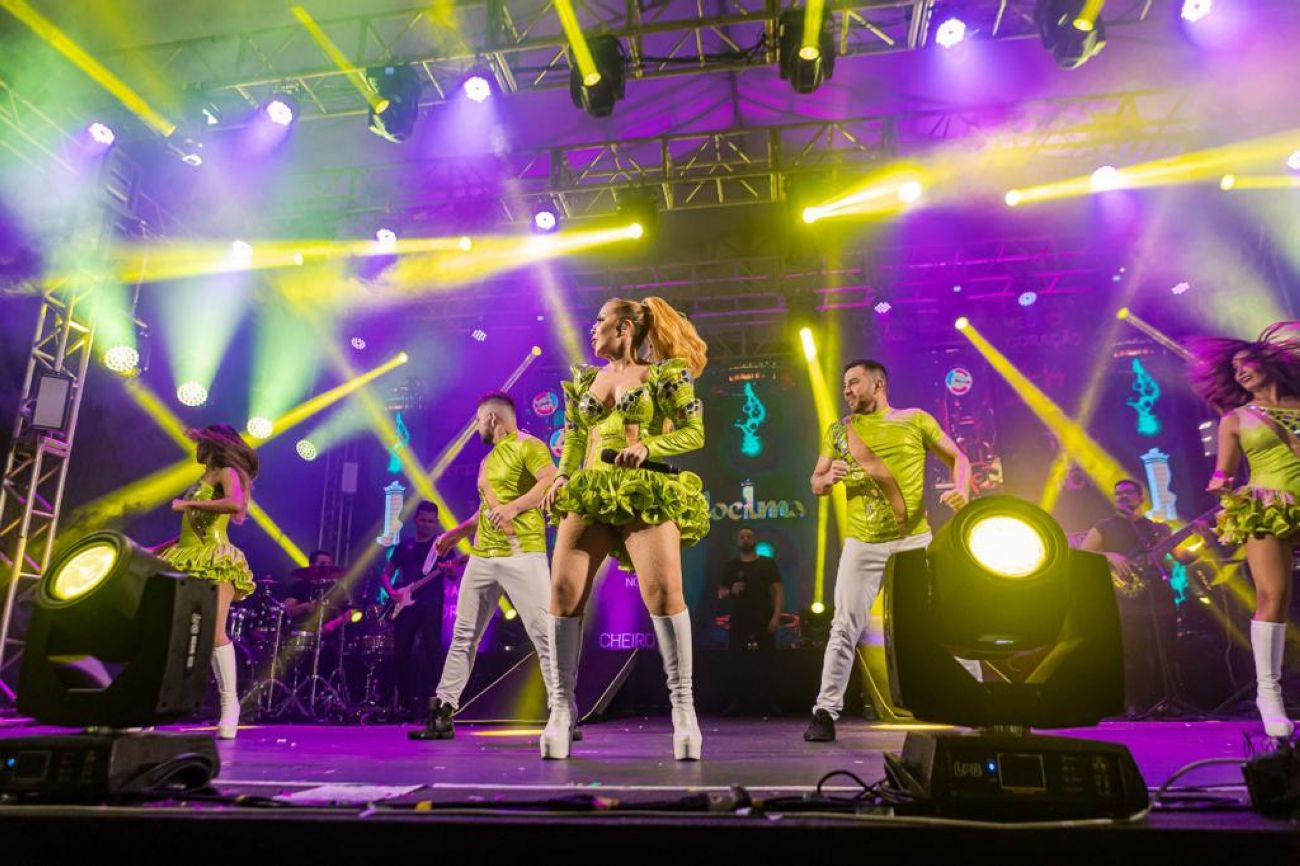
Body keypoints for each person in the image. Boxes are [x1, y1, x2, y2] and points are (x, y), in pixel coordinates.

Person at [540, 296, 710, 760]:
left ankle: (683, 710)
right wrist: (562, 476)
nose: (592, 327)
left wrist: (650, 446)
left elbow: (694, 432)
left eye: (600, 319)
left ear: (626, 327)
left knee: (664, 594)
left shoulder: (665, 374)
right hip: (591, 488)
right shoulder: (585, 380)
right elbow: (576, 435)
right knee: (563, 592)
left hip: (644, 489)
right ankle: (561, 708)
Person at [804, 359, 977, 743]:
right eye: (844, 384)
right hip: (862, 543)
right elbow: (815, 481)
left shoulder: (915, 420)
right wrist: (827, 478)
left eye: (854, 382)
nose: (846, 390)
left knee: (945, 619)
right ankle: (824, 713)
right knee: (843, 626)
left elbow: (959, 459)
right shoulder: (839, 431)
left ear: (878, 383)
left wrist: (961, 488)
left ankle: (977, 703)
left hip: (914, 540)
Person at [413, 392, 561, 740]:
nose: (477, 426)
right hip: (483, 556)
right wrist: (454, 534)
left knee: (543, 633)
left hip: (522, 552)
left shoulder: (530, 446)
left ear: (493, 418)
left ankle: (562, 711)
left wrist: (514, 508)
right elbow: (485, 511)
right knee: (464, 634)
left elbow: (550, 480)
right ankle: (443, 711)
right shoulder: (487, 461)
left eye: (479, 420)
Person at [1189, 322, 1300, 738]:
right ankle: (1268, 696)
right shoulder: (1235, 419)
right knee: (1274, 597)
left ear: (1266, 361)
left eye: (1244, 364)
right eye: (1233, 369)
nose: (1239, 373)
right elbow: (1224, 471)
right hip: (1266, 506)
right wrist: (1221, 484)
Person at [153, 424, 258, 739]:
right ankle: (150, 707)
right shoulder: (202, 479)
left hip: (215, 558)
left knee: (213, 632)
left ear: (212, 445)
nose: (196, 448)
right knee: (170, 632)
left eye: (199, 442)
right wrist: (159, 548)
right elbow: (191, 529)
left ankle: (230, 705)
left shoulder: (227, 472)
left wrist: (188, 504)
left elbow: (235, 503)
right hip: (186, 557)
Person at [1079, 479, 1175, 716]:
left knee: (1165, 652)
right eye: (1117, 493)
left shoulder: (1156, 529)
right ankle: (1134, 704)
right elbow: (1082, 556)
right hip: (1126, 601)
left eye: (1128, 492)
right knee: (1133, 653)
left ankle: (1163, 703)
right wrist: (1110, 555)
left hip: (1159, 598)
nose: (1121, 496)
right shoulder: (1105, 526)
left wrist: (1206, 538)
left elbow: (1184, 557)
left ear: (1141, 498)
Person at [380, 501, 450, 720]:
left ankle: (434, 702)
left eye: (431, 521)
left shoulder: (441, 546)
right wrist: (391, 591)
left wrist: (448, 569)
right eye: (423, 520)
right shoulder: (405, 546)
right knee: (401, 653)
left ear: (436, 523)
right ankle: (406, 704)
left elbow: (452, 575)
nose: (427, 524)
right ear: (415, 520)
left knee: (432, 652)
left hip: (431, 604)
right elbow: (386, 573)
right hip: (405, 605)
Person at [717, 527, 784, 715]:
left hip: (764, 618)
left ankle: (771, 703)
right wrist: (731, 591)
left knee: (768, 662)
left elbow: (778, 590)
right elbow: (721, 592)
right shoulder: (731, 566)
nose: (745, 539)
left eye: (749, 536)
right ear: (737, 541)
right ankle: (736, 703)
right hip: (739, 620)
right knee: (736, 662)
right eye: (742, 536)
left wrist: (776, 617)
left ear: (754, 540)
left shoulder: (767, 564)